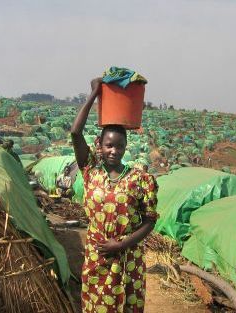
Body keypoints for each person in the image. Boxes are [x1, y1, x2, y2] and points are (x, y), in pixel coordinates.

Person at [71, 78, 158, 313]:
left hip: (129, 259)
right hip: (97, 257)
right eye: (109, 145)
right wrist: (93, 94)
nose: (114, 151)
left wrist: (121, 244)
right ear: (99, 145)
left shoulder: (141, 179)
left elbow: (150, 221)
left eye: (119, 146)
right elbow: (75, 132)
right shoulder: (90, 171)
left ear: (126, 146)